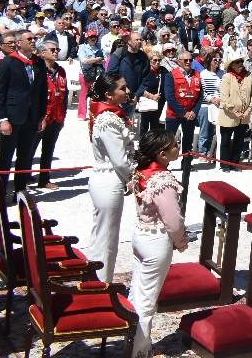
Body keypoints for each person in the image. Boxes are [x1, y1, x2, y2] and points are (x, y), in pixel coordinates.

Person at [127, 130, 188, 358]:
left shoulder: (143, 171)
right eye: (174, 145)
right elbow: (173, 219)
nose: (178, 147)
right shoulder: (162, 180)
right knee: (147, 300)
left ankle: (131, 341)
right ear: (162, 154)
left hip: (141, 235)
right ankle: (139, 351)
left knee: (136, 292)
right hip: (155, 241)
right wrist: (181, 241)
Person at [87, 72, 136, 283]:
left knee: (104, 233)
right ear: (109, 95)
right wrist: (134, 176)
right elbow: (119, 159)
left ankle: (97, 280)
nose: (127, 92)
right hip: (109, 178)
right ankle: (101, 285)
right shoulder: (108, 119)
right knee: (106, 237)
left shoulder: (109, 114)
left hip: (107, 178)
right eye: (122, 89)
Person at [0, 29, 46, 203]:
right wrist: (2, 119)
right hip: (12, 117)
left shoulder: (38, 63)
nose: (33, 41)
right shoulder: (8, 62)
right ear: (18, 43)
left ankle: (20, 190)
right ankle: (0, 192)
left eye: (34, 38)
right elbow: (0, 92)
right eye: (29, 39)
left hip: (31, 118)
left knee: (25, 156)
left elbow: (42, 91)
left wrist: (41, 116)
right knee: (6, 157)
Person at [34, 39, 68, 190]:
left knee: (48, 149)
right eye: (52, 50)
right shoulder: (36, 69)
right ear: (42, 53)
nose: (55, 52)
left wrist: (63, 116)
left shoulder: (61, 71)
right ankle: (24, 177)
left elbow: (65, 95)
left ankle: (44, 178)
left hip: (56, 116)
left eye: (57, 50)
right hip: (40, 117)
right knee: (29, 149)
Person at [217, 55, 252, 171]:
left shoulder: (248, 76)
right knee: (225, 140)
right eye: (237, 62)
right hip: (228, 114)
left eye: (241, 61)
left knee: (239, 140)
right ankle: (224, 164)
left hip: (244, 115)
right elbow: (224, 98)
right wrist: (235, 111)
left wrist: (248, 110)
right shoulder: (227, 77)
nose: (240, 64)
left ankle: (234, 163)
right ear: (231, 65)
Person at [162, 51, 201, 156]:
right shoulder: (171, 75)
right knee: (169, 141)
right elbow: (169, 96)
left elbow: (201, 96)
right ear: (179, 61)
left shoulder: (197, 74)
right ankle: (165, 164)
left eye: (190, 60)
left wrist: (194, 111)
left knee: (188, 141)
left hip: (191, 114)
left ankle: (187, 164)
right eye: (185, 60)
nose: (188, 62)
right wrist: (183, 112)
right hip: (174, 114)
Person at [135, 49, 166, 136]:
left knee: (155, 126)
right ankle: (143, 146)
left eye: (159, 60)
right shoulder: (145, 71)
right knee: (144, 126)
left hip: (159, 101)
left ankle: (153, 146)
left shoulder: (162, 71)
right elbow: (139, 87)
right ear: (150, 61)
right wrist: (152, 96)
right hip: (147, 100)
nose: (157, 62)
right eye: (155, 60)